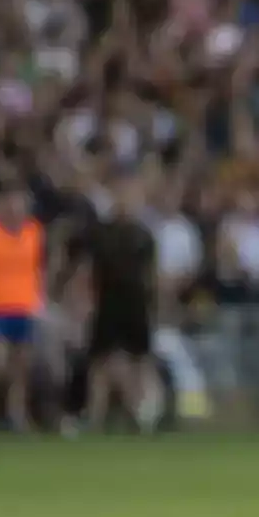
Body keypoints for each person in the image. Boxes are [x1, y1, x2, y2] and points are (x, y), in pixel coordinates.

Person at [79, 178, 159, 432]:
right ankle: (95, 416)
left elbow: (151, 276)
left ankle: (140, 414)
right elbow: (91, 271)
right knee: (100, 362)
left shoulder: (144, 236)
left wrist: (153, 306)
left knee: (138, 361)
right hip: (108, 303)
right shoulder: (101, 233)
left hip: (135, 304)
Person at [0, 187, 49, 432]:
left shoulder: (34, 233)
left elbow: (40, 268)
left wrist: (40, 299)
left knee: (21, 369)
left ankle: (16, 415)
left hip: (25, 306)